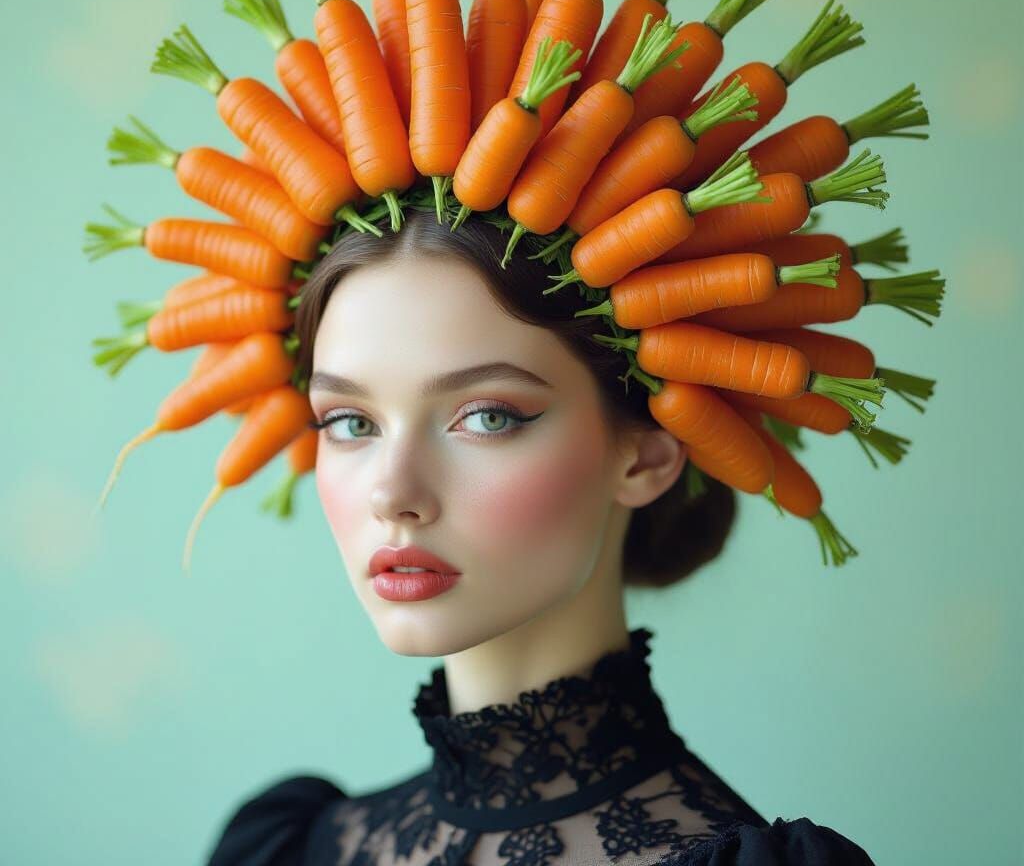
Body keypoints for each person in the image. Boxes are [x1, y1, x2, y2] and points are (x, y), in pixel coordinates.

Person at [203, 205, 877, 865]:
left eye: (489, 417)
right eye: (350, 422)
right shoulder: (291, 847)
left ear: (645, 458)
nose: (392, 493)